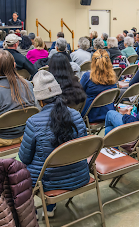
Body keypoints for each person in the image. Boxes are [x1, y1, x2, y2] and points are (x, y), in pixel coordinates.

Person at [18, 70, 89, 217]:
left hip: (48, 183)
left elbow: (24, 158)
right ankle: (50, 208)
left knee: (17, 167)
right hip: (80, 176)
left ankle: (38, 210)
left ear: (39, 100)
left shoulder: (33, 122)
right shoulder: (76, 115)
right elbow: (84, 147)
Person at [80, 50, 117, 123]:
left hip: (91, 115)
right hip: (109, 112)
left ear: (92, 62)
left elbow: (79, 94)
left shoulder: (87, 77)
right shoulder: (113, 76)